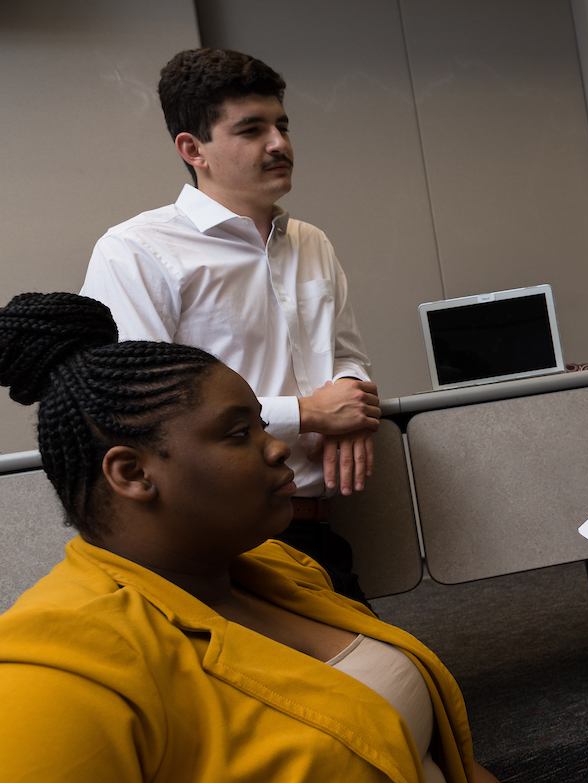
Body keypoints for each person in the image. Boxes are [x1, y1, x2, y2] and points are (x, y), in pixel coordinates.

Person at [0, 292, 569, 783]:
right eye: (238, 433)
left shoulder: (277, 565)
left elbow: (441, 762)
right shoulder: (57, 672)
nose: (276, 450)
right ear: (132, 473)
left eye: (263, 427)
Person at [80, 47, 377, 603]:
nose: (279, 144)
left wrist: (353, 399)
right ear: (193, 149)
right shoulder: (136, 251)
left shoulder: (311, 242)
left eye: (282, 125)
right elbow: (138, 410)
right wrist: (309, 414)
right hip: (212, 544)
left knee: (393, 676)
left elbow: (344, 355)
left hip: (313, 521)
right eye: (252, 130)